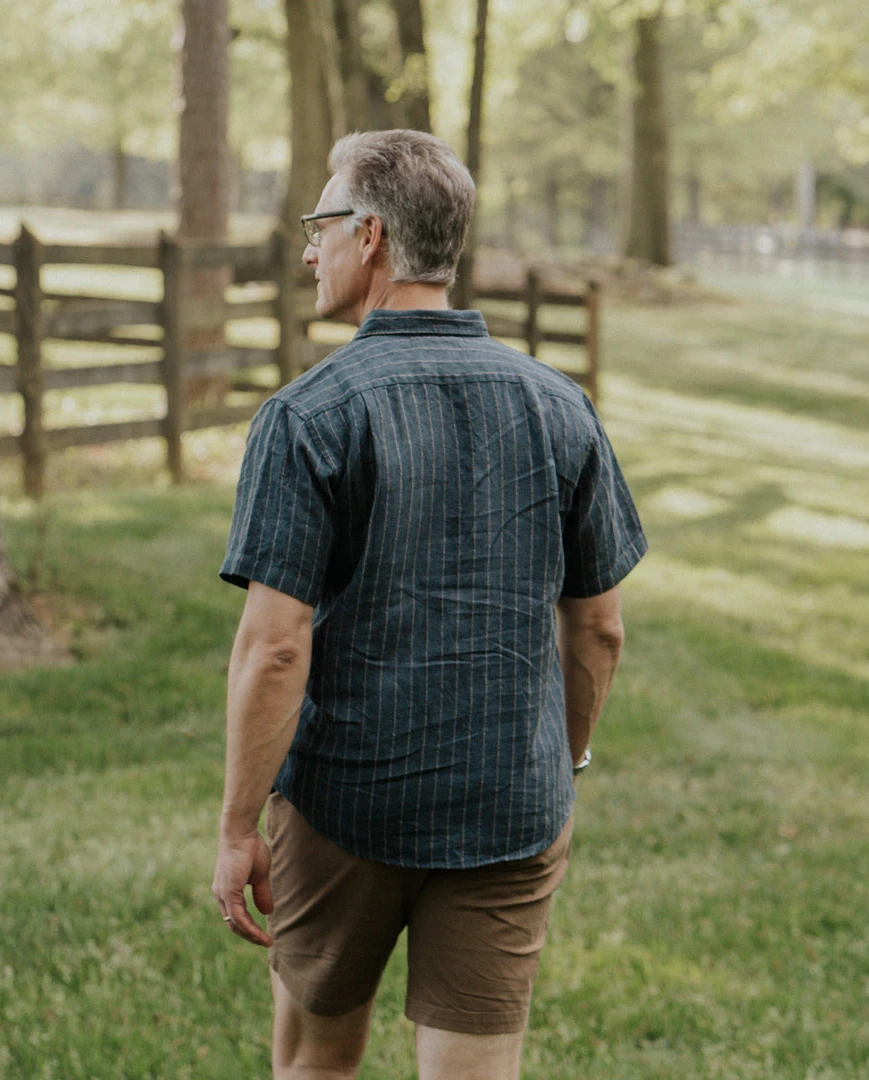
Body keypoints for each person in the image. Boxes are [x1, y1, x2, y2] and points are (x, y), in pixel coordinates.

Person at [213, 129, 647, 1080]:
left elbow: (275, 652)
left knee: (315, 1061)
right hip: (512, 804)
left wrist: (241, 826)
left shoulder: (307, 415)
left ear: (368, 237)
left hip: (342, 805)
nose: (306, 247)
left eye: (318, 225)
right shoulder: (560, 405)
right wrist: (561, 759)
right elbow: (601, 624)